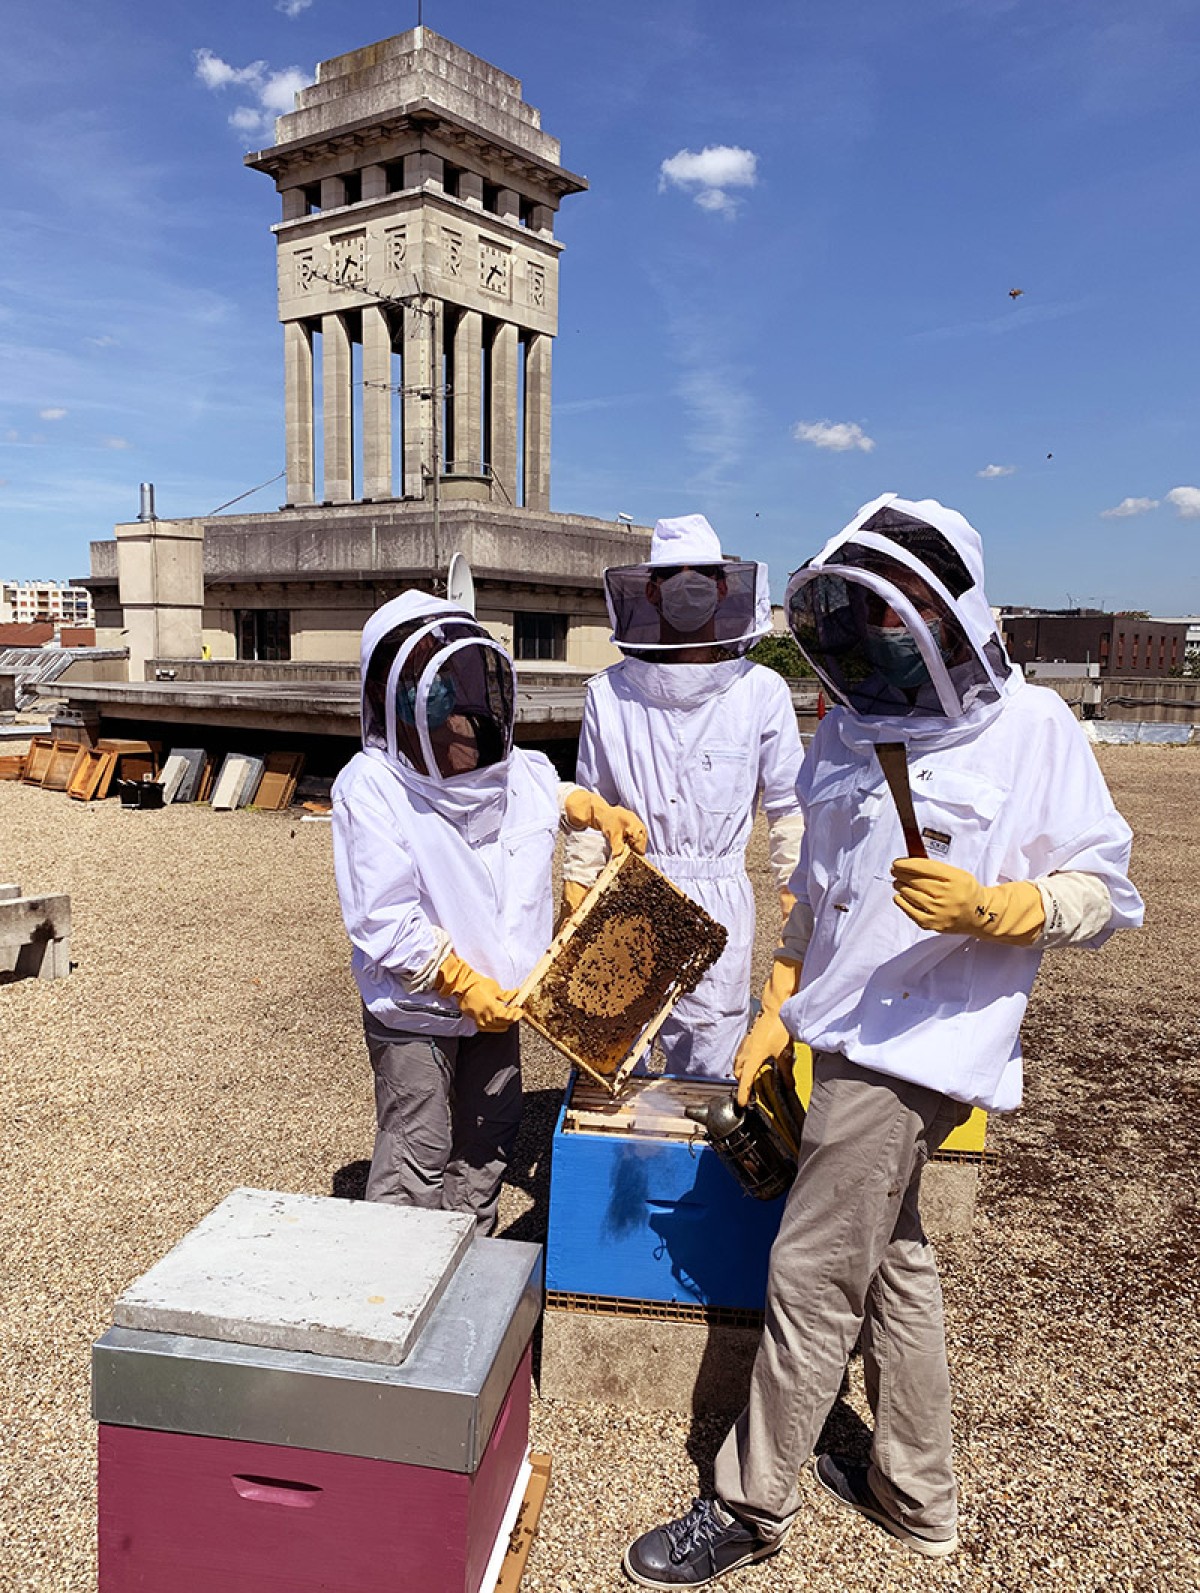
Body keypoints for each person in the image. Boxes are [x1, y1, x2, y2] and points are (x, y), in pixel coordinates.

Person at [622, 494, 1143, 1585]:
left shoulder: (1035, 727)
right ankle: (918, 1495)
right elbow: (817, 891)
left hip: (920, 1055)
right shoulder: (849, 726)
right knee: (894, 1263)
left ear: (950, 620)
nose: (874, 657)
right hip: (841, 1036)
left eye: (894, 630)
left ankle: (749, 1505)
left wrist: (1007, 907)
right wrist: (776, 1005)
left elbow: (1106, 890)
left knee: (812, 1273)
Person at [331, 591, 646, 1234]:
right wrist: (459, 980)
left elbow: (533, 788)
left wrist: (587, 806)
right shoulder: (371, 787)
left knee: (489, 1135)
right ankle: (399, 1276)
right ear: (391, 693)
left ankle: (470, 1261)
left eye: (446, 673)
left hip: (503, 997)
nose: (442, 691)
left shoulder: (494, 755)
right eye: (422, 672)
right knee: (419, 1140)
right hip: (419, 1006)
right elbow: (382, 917)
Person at [562, 514, 805, 1080]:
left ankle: (692, 1168)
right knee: (614, 1048)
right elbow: (589, 801)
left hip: (719, 894)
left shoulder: (760, 691)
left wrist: (795, 897)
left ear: (724, 588)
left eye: (702, 575)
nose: (689, 585)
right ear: (650, 591)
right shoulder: (610, 694)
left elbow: (789, 808)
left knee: (708, 1059)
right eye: (674, 576)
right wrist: (577, 880)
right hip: (629, 890)